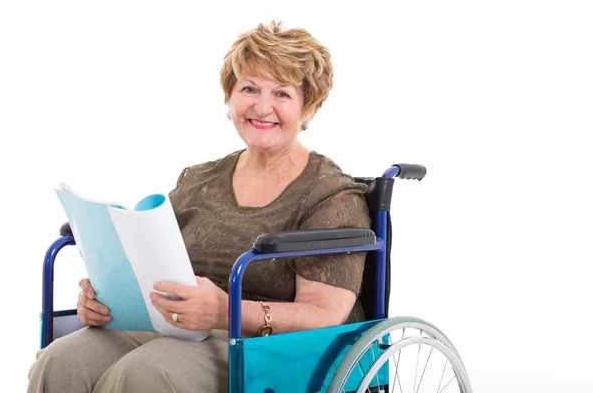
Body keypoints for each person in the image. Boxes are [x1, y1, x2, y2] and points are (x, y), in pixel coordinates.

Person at [28, 20, 371, 392]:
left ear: (309, 107)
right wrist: (103, 295)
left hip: (262, 348)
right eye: (249, 88)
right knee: (60, 361)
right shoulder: (199, 181)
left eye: (283, 94)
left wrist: (226, 311)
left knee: (143, 375)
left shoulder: (331, 196)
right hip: (169, 327)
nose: (262, 106)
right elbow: (151, 265)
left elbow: (325, 314)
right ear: (230, 96)